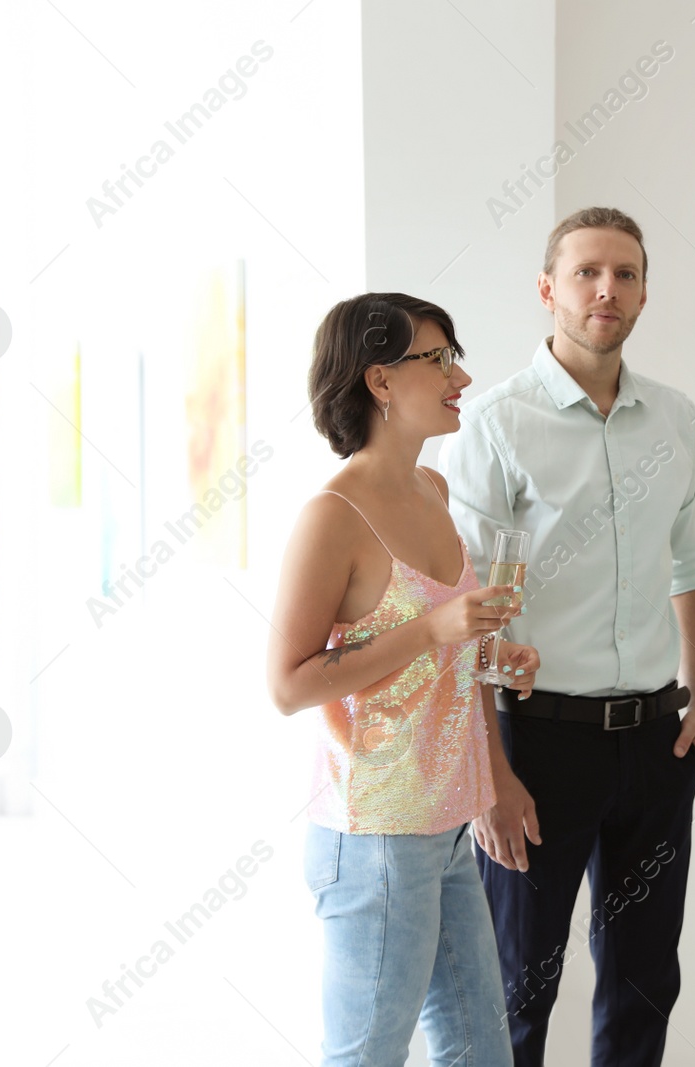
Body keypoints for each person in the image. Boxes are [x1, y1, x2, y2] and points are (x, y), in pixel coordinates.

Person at [443, 206, 695, 1067]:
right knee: (518, 980)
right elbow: (468, 612)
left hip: (656, 741)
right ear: (548, 289)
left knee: (644, 978)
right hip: (538, 742)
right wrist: (489, 774)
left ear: (643, 291)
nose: (608, 289)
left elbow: (692, 562)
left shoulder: (674, 415)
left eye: (626, 274)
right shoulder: (494, 423)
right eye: (588, 272)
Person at [266, 291, 542, 1067]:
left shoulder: (434, 491)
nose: (462, 374)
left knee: (482, 1052)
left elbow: (440, 657)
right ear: (379, 381)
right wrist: (432, 629)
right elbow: (288, 684)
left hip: (446, 818)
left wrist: (489, 655)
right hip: (377, 830)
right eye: (439, 357)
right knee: (366, 1057)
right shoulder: (333, 515)